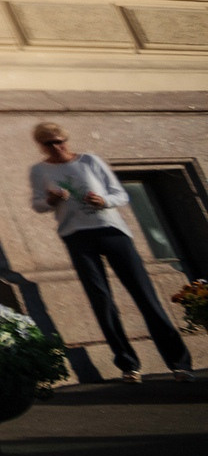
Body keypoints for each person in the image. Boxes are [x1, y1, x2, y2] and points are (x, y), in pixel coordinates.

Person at [29, 120, 193, 382]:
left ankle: (179, 364)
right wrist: (51, 200)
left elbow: (120, 195)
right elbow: (38, 204)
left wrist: (103, 200)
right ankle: (128, 365)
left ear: (66, 140)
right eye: (49, 144)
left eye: (60, 142)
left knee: (144, 294)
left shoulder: (89, 161)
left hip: (112, 232)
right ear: (41, 146)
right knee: (101, 300)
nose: (57, 147)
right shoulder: (39, 170)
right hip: (76, 236)